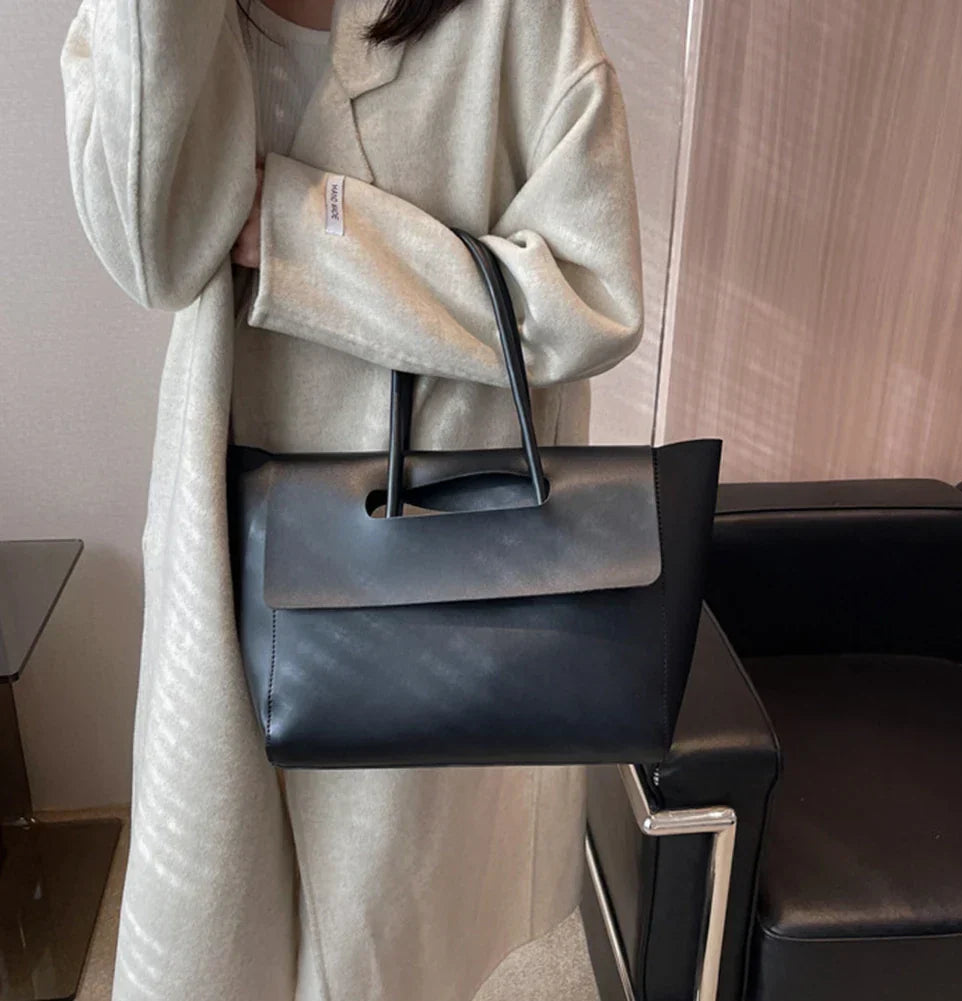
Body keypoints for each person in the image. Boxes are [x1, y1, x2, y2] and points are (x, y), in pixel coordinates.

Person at [59, 0, 644, 998]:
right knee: (222, 913)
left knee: (385, 943)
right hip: (226, 532)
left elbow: (591, 295)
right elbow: (153, 255)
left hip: (436, 556)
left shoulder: (515, 17)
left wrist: (311, 232)